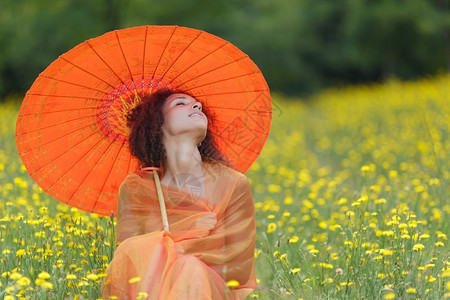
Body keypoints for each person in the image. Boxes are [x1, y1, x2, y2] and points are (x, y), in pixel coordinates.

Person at [101, 89, 257, 299]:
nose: (197, 106)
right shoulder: (135, 189)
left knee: (189, 267)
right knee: (133, 247)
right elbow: (128, 263)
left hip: (210, 289)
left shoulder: (233, 184)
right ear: (158, 124)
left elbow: (239, 268)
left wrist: (178, 256)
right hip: (151, 290)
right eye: (180, 103)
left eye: (198, 104)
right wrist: (172, 252)